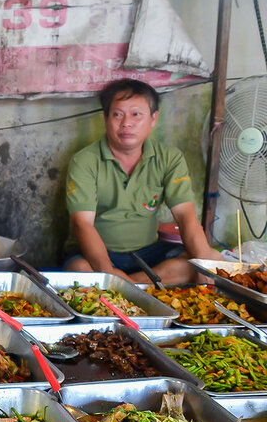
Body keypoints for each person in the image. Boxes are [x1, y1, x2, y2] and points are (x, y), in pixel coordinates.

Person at [64, 79, 221, 283]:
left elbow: (185, 216)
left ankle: (127, 286)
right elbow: (82, 224)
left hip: (147, 254)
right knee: (80, 269)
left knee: (211, 260)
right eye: (117, 114)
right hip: (95, 255)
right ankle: (136, 285)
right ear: (105, 118)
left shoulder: (169, 158)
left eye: (136, 114)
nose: (126, 123)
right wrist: (107, 272)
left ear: (153, 119)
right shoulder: (85, 160)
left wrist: (204, 269)